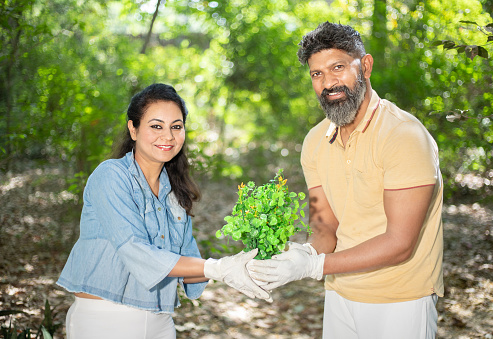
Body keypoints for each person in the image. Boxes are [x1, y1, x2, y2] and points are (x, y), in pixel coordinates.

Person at [248, 22, 444, 339]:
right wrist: (302, 254)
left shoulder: (404, 136)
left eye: (338, 67)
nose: (329, 83)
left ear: (364, 66)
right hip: (339, 294)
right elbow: (326, 228)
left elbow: (400, 245)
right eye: (317, 74)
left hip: (401, 299)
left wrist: (314, 267)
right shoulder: (315, 141)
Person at [57, 83, 270, 339]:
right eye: (156, 126)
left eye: (176, 127)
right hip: (105, 319)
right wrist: (217, 268)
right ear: (133, 129)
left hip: (160, 322)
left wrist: (247, 267)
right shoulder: (111, 177)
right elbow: (135, 250)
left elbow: (191, 273)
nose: (168, 136)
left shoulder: (175, 194)